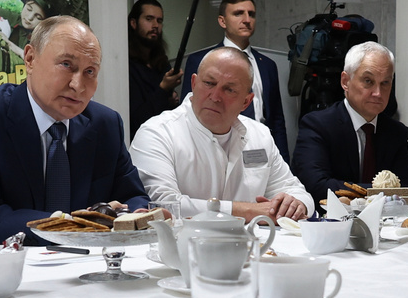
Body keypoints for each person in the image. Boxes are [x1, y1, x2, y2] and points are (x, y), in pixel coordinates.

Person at [0, 15, 148, 244]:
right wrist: (69, 226)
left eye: (90, 71)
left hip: (92, 261)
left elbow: (134, 198)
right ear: (30, 59)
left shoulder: (105, 124)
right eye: (66, 65)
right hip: (17, 262)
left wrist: (132, 215)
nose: (78, 85)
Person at [131, 47, 313, 222]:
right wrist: (250, 211)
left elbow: (297, 193)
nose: (215, 96)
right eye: (209, 83)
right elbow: (163, 205)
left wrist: (296, 205)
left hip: (255, 243)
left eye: (229, 89)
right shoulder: (157, 132)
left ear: (246, 102)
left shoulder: (260, 135)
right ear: (193, 83)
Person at [292, 41, 408, 205]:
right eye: (368, 81)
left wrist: (393, 193)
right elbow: (316, 186)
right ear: (345, 81)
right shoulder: (317, 125)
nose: (378, 93)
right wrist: (384, 193)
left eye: (385, 83)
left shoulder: (396, 132)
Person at [181, 0, 289, 162]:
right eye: (238, 13)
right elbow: (189, 111)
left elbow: (276, 119)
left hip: (259, 147)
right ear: (222, 21)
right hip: (214, 148)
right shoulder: (202, 61)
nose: (246, 19)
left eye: (251, 14)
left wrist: (283, 160)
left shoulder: (267, 65)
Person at [127, 0, 183, 138]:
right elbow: (136, 119)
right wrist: (163, 89)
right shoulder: (125, 65)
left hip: (166, 137)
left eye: (159, 20)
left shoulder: (162, 62)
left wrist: (172, 99)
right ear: (133, 23)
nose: (155, 25)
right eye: (149, 19)